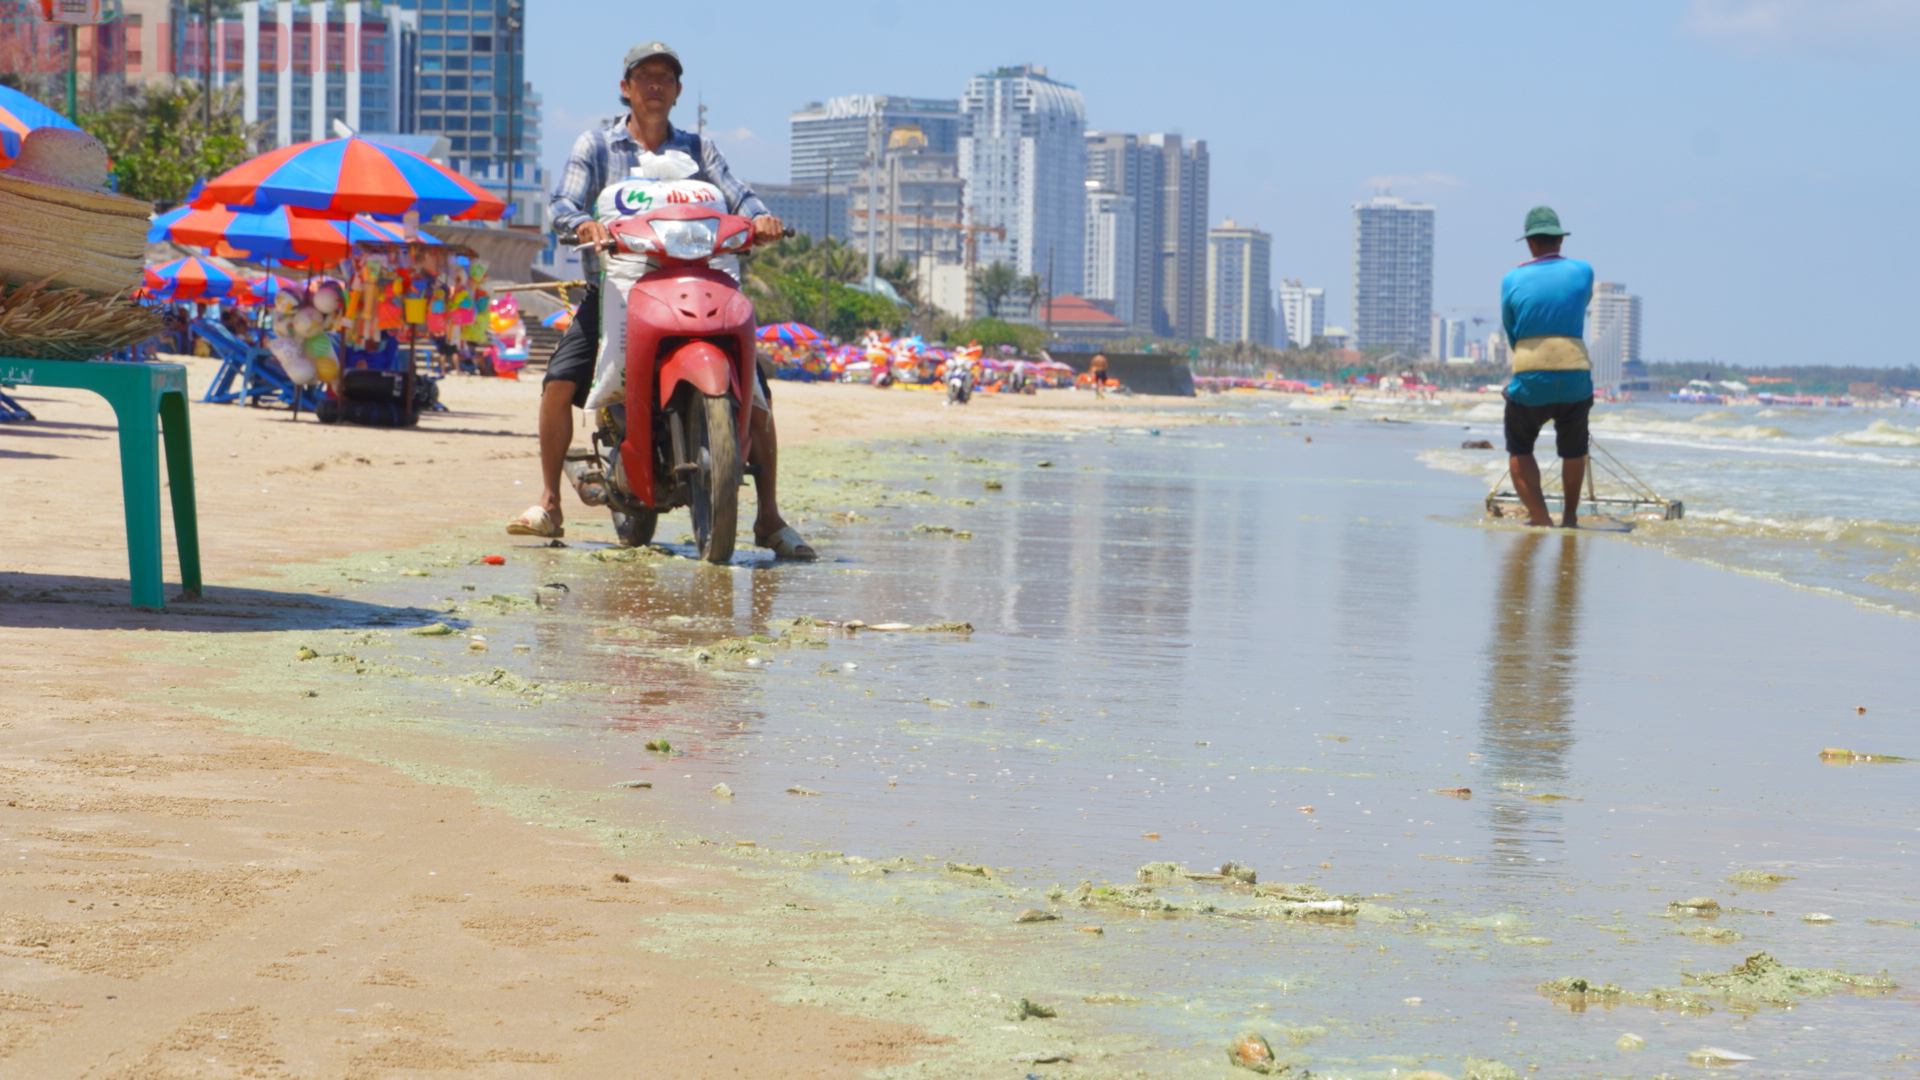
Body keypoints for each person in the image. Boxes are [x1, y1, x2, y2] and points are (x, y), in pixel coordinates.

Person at [507, 41, 814, 560]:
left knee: (756, 392)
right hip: (616, 291)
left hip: (696, 282)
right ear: (626, 88)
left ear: (676, 90)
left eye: (665, 78)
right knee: (560, 381)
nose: (655, 86)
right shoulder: (597, 146)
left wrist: (762, 218)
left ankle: (768, 517)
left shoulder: (700, 150)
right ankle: (549, 504)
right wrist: (583, 222)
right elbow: (563, 199)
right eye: (644, 77)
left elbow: (740, 196)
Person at [1501, 206, 1594, 529]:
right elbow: (1581, 304)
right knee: (1573, 450)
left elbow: (1512, 330)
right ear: (1559, 239)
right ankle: (1570, 517)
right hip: (1575, 378)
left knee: (1520, 447)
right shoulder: (1584, 271)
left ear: (1529, 243)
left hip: (1530, 377)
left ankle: (1540, 518)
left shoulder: (1511, 279)